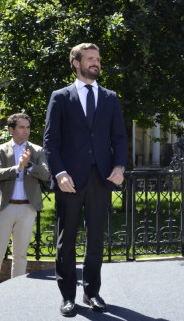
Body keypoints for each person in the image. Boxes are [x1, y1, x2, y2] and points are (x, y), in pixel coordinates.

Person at [44, 42, 128, 317]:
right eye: (91, 59)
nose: (97, 63)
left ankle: (92, 292)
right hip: (69, 179)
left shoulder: (110, 97)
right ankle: (68, 296)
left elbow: (119, 137)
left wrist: (119, 166)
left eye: (98, 59)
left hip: (101, 178)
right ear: (76, 63)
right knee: (66, 240)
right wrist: (59, 172)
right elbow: (50, 142)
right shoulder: (60, 97)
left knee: (96, 240)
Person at [0, 113, 50, 294]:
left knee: (20, 256)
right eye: (21, 127)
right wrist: (17, 168)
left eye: (28, 127)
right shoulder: (0, 150)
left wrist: (28, 166)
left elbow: (45, 175)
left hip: (27, 208)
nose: (25, 131)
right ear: (11, 129)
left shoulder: (37, 151)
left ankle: (15, 295)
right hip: (4, 207)